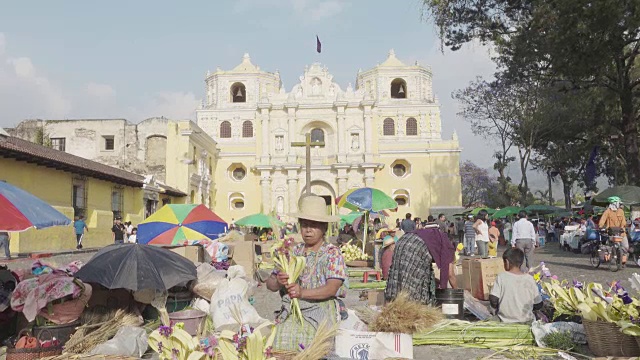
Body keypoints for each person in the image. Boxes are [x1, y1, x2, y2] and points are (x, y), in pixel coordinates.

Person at [266, 196, 348, 351]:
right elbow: (270, 285)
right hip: (292, 309)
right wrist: (278, 281)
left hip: (321, 309)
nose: (308, 230)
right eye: (304, 225)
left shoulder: (331, 253)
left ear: (324, 228)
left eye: (314, 225)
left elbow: (332, 288)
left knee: (310, 341)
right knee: (279, 339)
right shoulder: (291, 252)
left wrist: (302, 292)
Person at [385, 226, 456, 304]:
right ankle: (411, 308)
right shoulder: (448, 246)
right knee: (417, 282)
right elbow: (450, 274)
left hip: (402, 241)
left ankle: (394, 305)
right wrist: (457, 293)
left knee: (398, 275)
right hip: (416, 246)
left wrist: (436, 282)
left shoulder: (434, 237)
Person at [490, 248, 542, 323]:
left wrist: (497, 307)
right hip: (527, 321)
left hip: (505, 321)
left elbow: (493, 299)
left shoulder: (501, 277)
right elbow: (538, 304)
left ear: (507, 262)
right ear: (521, 263)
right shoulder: (530, 279)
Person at [599, 196, 628, 265]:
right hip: (611, 232)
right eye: (618, 203)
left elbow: (624, 222)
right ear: (614, 203)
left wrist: (622, 228)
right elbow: (602, 221)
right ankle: (610, 258)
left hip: (621, 232)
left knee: (626, 246)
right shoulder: (607, 211)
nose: (620, 204)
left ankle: (622, 259)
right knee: (611, 247)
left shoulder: (621, 211)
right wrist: (601, 227)